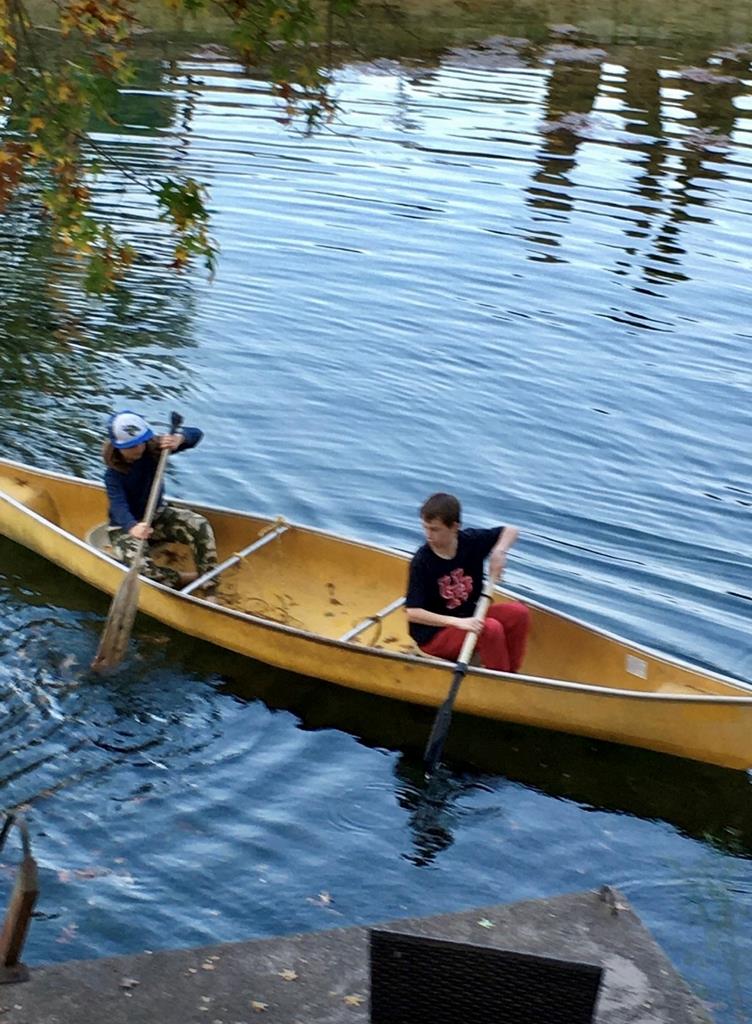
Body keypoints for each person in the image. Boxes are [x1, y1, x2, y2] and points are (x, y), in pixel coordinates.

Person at [405, 492, 529, 672]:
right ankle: (500, 683)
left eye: (435, 529)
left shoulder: (470, 542)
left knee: (519, 613)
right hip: (435, 636)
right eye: (425, 527)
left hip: (469, 618)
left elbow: (510, 531)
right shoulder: (422, 561)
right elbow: (413, 613)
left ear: (455, 527)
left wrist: (499, 552)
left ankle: (510, 674)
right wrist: (456, 622)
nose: (428, 535)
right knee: (489, 628)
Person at [103, 410, 218, 591]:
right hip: (125, 528)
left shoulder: (154, 449)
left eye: (140, 443)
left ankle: (209, 579)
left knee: (199, 523)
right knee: (142, 568)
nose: (138, 449)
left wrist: (181, 438)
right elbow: (118, 506)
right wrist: (133, 526)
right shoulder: (113, 475)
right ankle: (184, 579)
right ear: (118, 447)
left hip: (156, 516)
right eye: (131, 446)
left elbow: (196, 434)